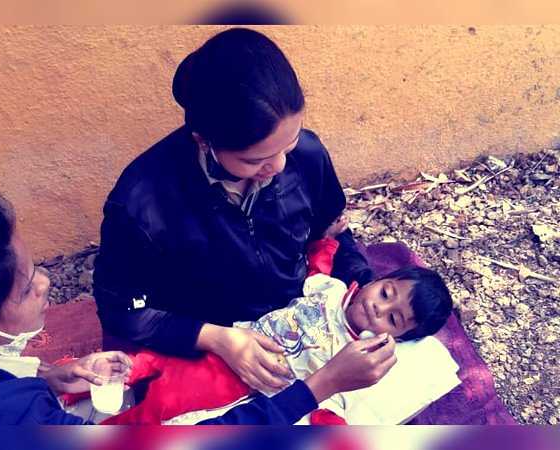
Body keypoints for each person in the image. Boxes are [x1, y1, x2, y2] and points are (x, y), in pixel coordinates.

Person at [0, 190, 395, 425]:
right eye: (28, 285)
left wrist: (51, 379)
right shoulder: (17, 425)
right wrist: (320, 385)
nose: (47, 282)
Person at [94, 27, 377, 394]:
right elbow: (123, 310)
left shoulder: (307, 155)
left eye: (288, 144)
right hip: (207, 347)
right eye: (254, 160)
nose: (277, 166)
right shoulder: (140, 203)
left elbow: (333, 232)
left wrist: (365, 288)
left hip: (303, 318)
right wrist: (217, 339)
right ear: (203, 141)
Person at [98, 218, 453, 424]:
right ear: (376, 281)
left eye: (393, 318)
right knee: (155, 375)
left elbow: (334, 396)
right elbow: (317, 263)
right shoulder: (331, 288)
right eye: (386, 293)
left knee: (169, 407)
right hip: (233, 343)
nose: (379, 308)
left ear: (401, 337)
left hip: (251, 382)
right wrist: (328, 237)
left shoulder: (358, 353)